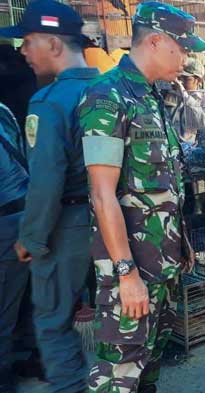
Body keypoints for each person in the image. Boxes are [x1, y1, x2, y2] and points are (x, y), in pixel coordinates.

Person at [77, 2, 205, 392]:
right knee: (118, 375)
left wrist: (181, 248)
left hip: (161, 267)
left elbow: (163, 183)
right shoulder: (108, 97)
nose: (186, 58)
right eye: (182, 48)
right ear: (154, 41)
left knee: (148, 367)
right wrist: (126, 275)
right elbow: (102, 196)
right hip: (131, 272)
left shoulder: (153, 97)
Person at [1, 1, 99, 391]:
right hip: (113, 223)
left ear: (54, 44)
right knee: (114, 321)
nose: (22, 51)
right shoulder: (109, 90)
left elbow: (45, 182)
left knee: (53, 323)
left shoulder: (50, 102)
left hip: (67, 225)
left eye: (27, 41)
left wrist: (31, 238)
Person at [0, 103, 30, 393]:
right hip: (24, 214)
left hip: (6, 220)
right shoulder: (6, 111)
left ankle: (3, 372)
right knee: (15, 300)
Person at [171, 57, 205, 143]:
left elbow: (202, 122)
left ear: (198, 80)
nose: (181, 82)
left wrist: (185, 96)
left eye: (187, 79)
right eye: (180, 78)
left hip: (190, 149)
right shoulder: (171, 96)